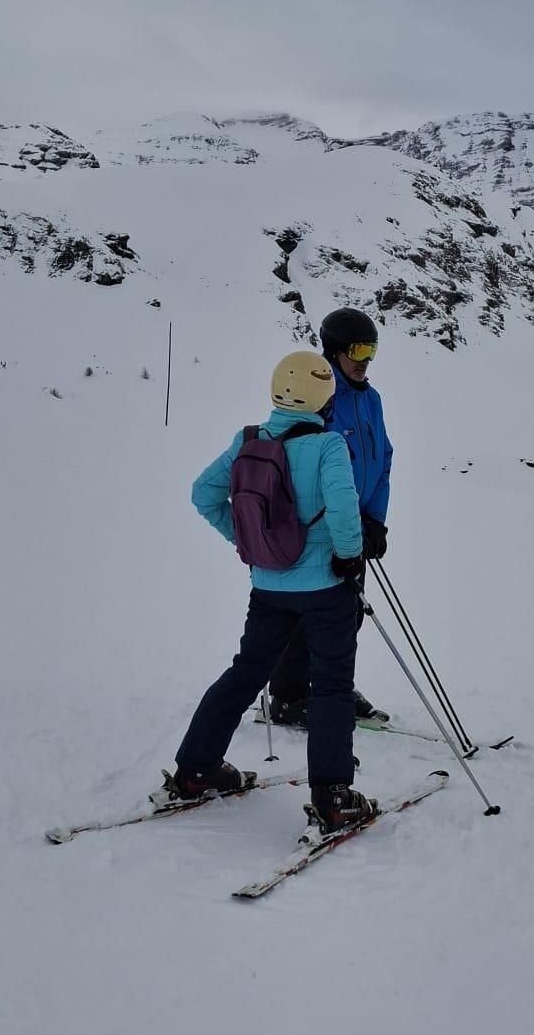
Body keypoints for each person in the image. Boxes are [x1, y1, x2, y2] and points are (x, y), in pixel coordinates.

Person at [152, 350, 376, 834]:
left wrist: (248, 541)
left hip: (268, 587)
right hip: (325, 588)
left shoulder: (248, 440)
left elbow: (202, 494)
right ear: (323, 396)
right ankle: (334, 796)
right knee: (332, 684)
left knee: (247, 671)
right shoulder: (328, 445)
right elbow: (342, 509)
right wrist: (349, 556)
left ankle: (196, 768)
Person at [268, 307, 393, 728]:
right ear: (335, 351)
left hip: (355, 526)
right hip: (322, 527)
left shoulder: (371, 399)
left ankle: (332, 684)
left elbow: (382, 459)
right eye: (358, 349)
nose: (365, 359)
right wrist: (344, 521)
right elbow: (311, 465)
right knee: (310, 617)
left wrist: (374, 519)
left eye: (371, 350)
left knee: (349, 614)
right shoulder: (319, 397)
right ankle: (288, 696)